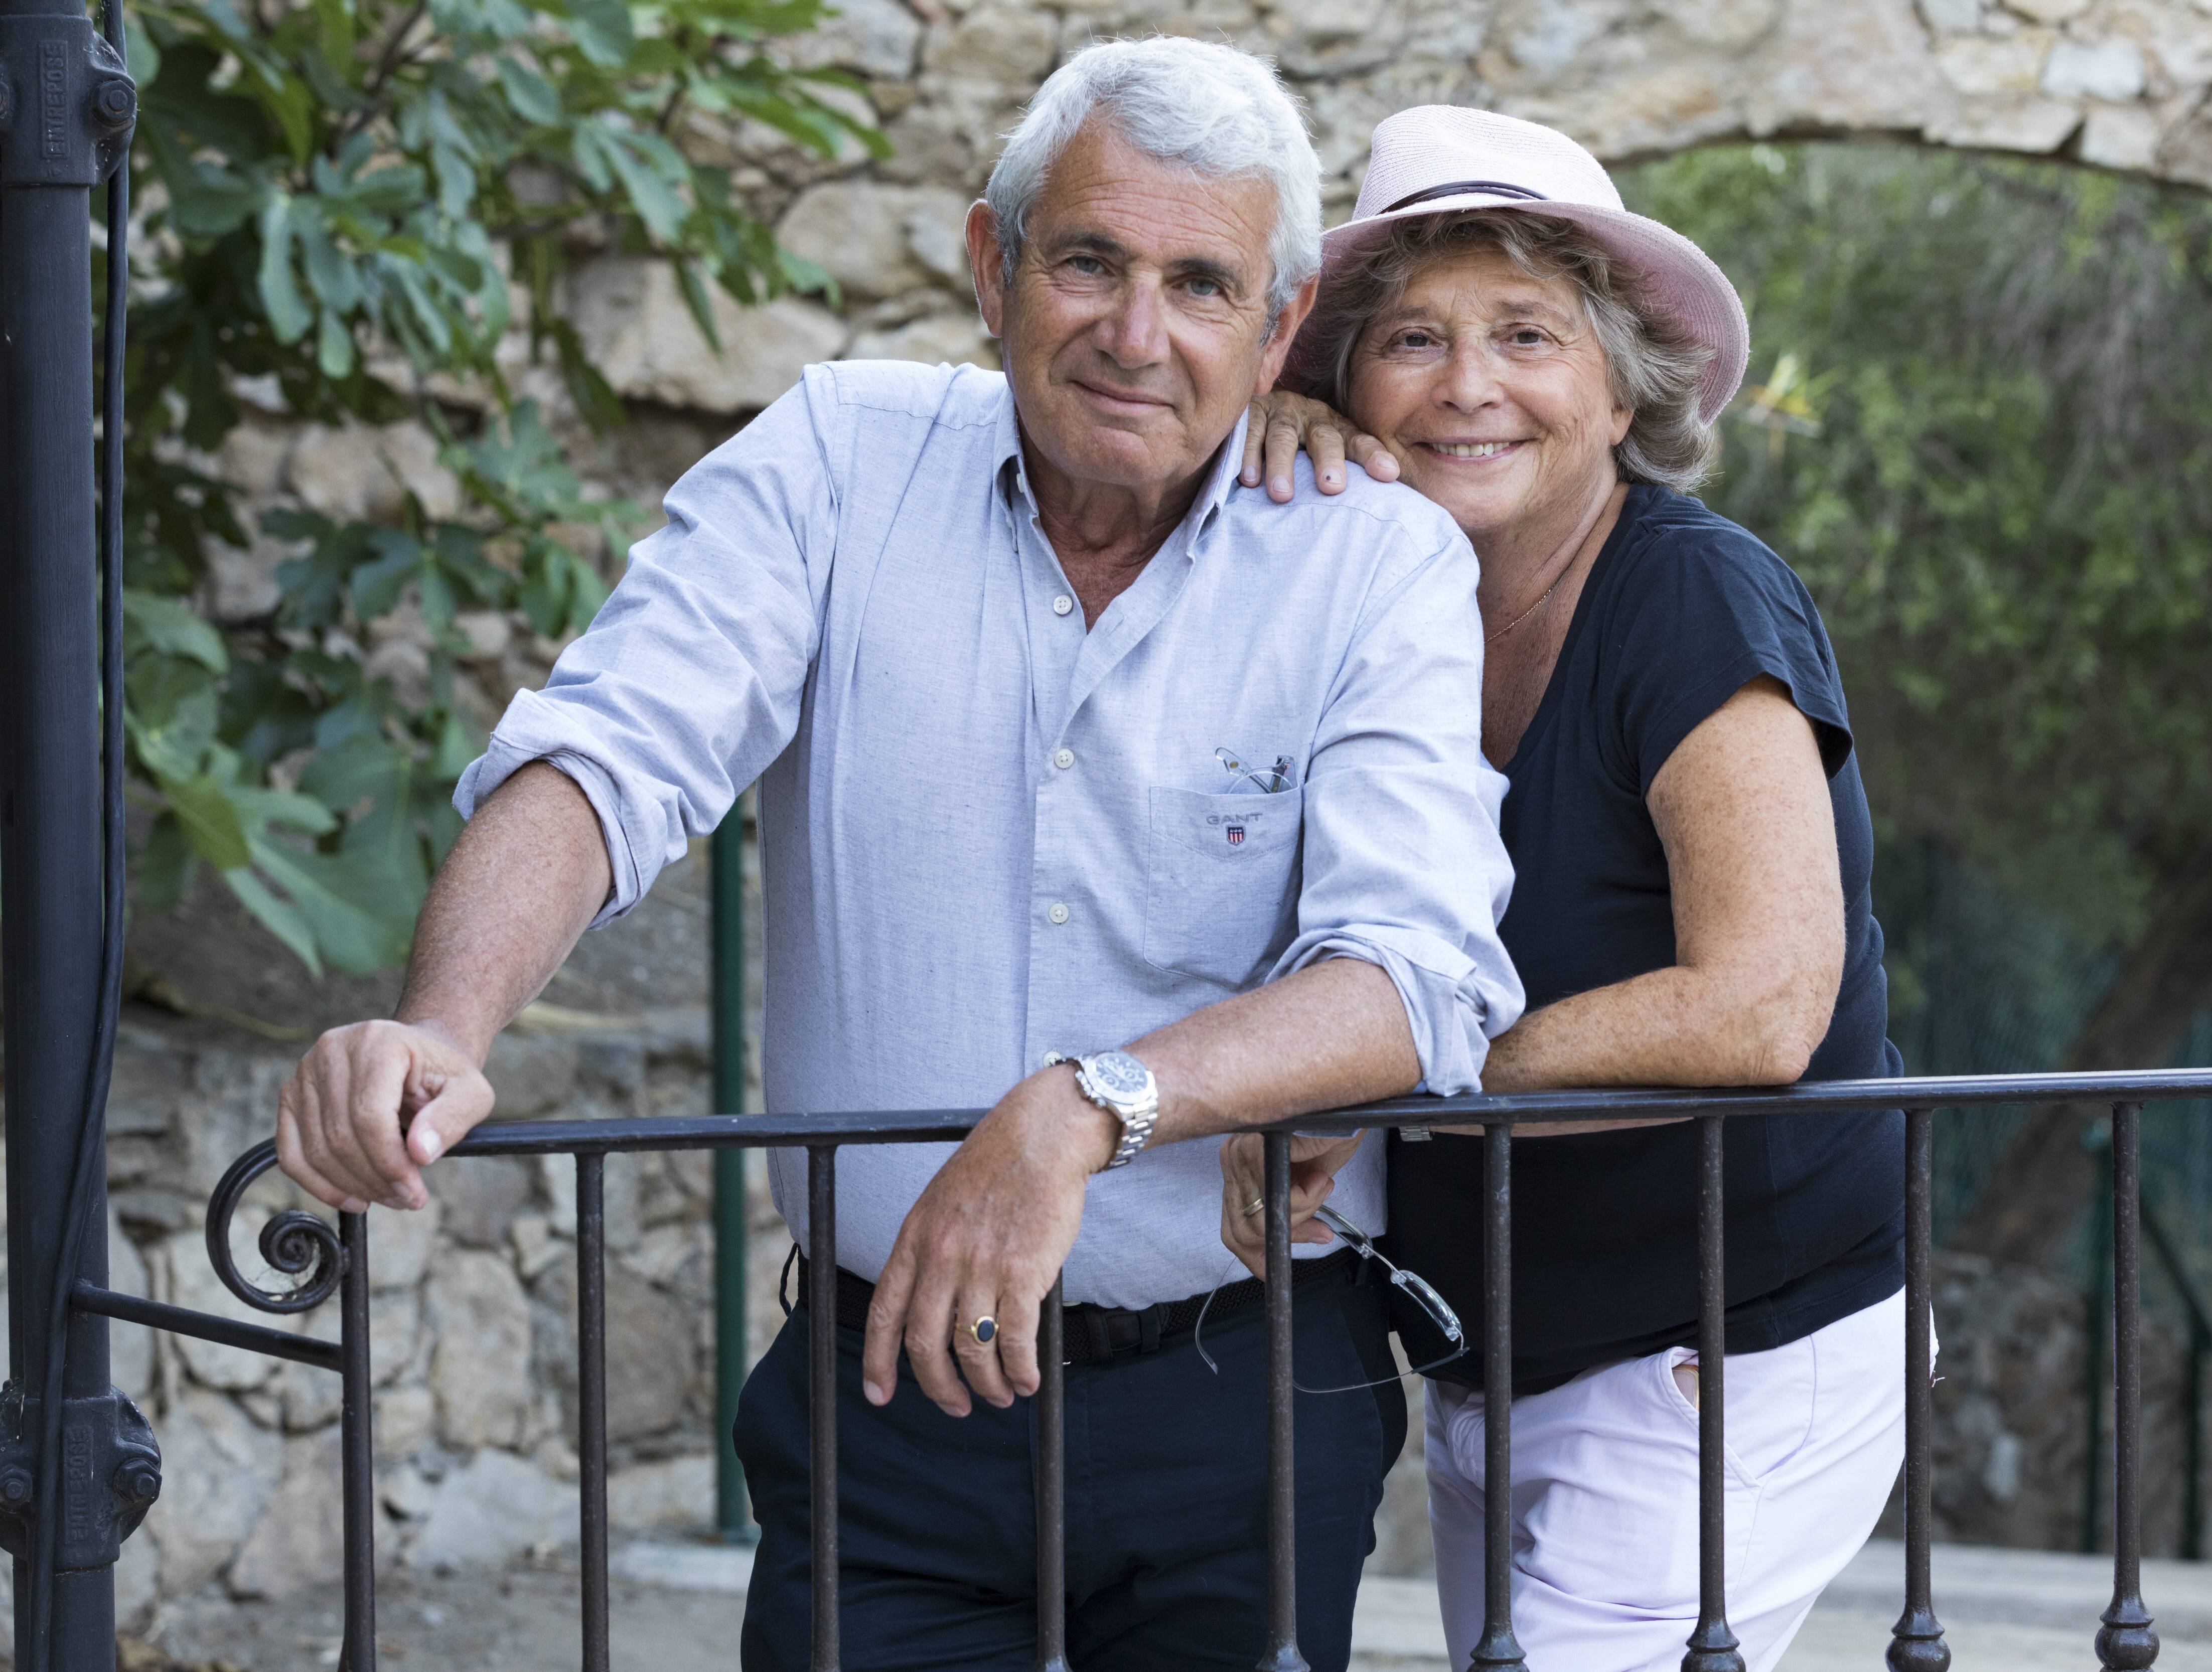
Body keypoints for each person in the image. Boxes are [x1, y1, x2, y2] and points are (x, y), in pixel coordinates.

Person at [267, 42, 1523, 1672]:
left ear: (1279, 330)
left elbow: (1416, 979)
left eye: (1202, 285)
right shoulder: (839, 459)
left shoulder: (1373, 560)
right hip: (887, 1412)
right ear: (991, 263)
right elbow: (611, 753)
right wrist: (447, 1027)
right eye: (1089, 262)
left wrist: (1081, 1110)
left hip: (1249, 1408)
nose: (1138, 336)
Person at [1219, 105, 1914, 1671]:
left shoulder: (1689, 593)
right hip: (1505, 1365)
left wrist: (1385, 1078)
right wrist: (1260, 446)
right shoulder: (1378, 597)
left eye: (1526, 334)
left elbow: (1762, 1008)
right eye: (1410, 340)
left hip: (1722, 1359)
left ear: (1621, 391)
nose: (1468, 386)